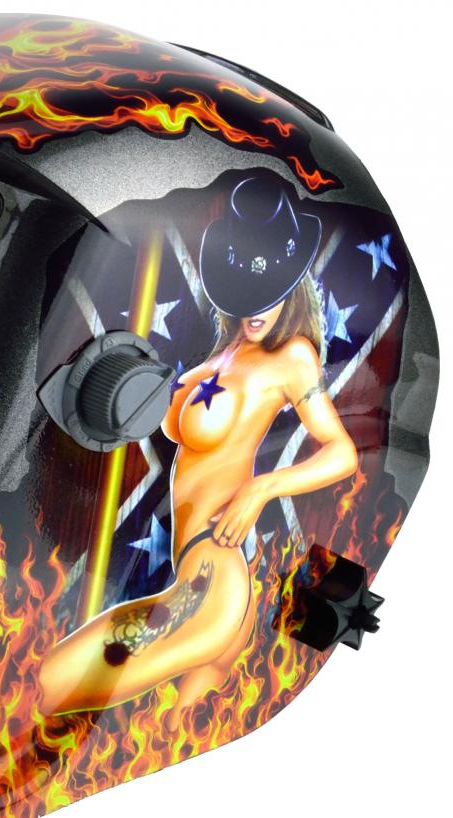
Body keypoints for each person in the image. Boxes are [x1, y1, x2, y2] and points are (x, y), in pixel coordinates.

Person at [37, 174, 358, 725]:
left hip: (212, 579)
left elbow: (342, 452)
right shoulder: (222, 354)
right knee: (131, 719)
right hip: (194, 581)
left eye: (269, 291)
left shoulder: (292, 358)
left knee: (53, 685)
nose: (254, 309)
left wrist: (259, 490)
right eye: (243, 290)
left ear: (294, 285)